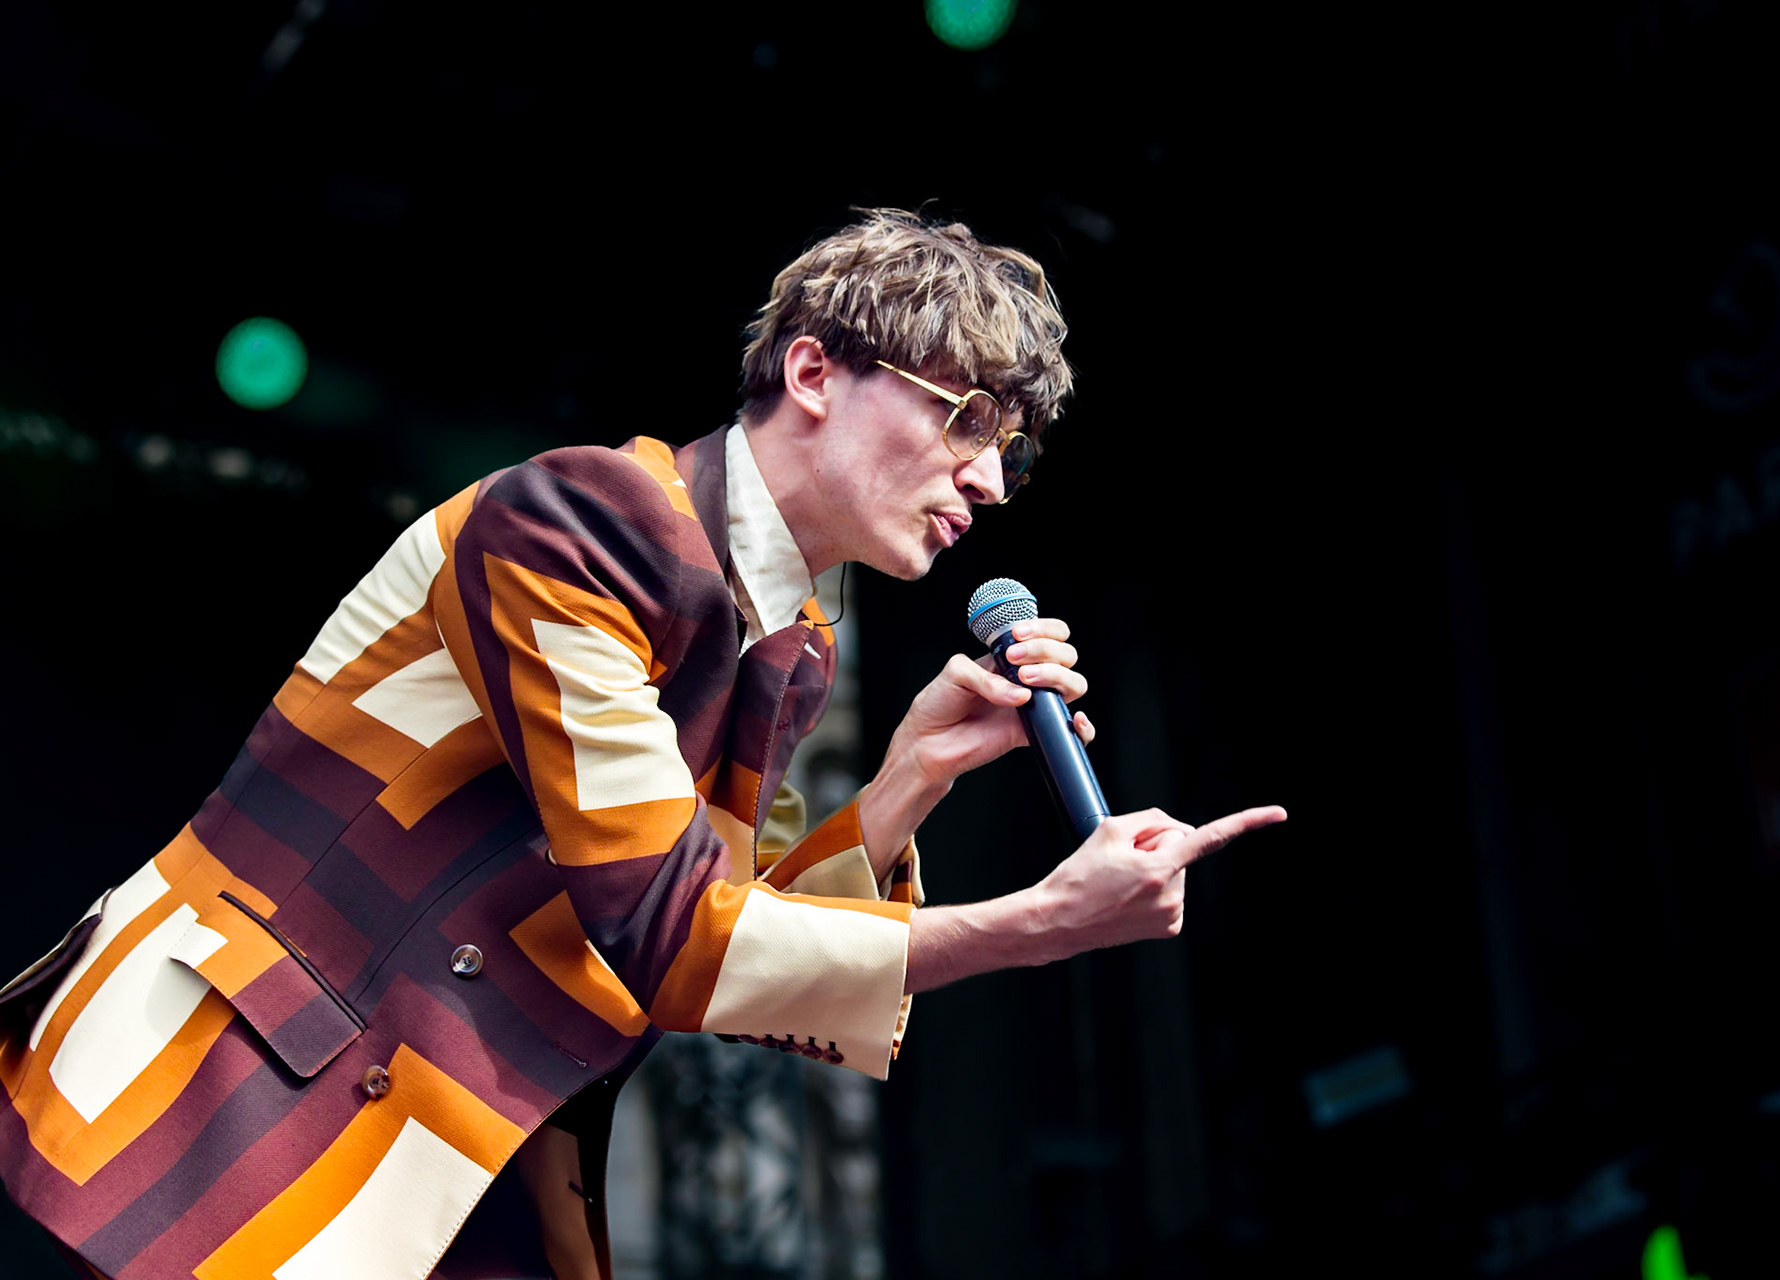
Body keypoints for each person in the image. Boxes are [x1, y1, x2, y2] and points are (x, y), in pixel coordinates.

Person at [0, 209, 1283, 1280]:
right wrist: (1042, 922)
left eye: (1008, 450)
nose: (989, 481)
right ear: (814, 372)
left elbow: (715, 941)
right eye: (965, 420)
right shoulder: (584, 520)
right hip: (212, 1120)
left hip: (442, 1159)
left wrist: (910, 775)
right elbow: (675, 943)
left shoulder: (787, 641)